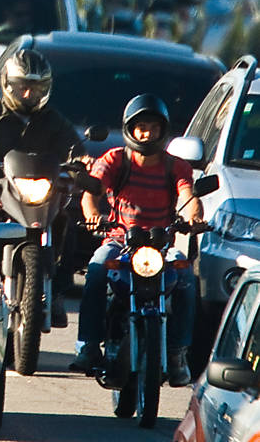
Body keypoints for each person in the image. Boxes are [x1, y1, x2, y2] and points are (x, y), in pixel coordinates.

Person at [70, 93, 202, 387]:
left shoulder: (176, 166)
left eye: (153, 127)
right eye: (141, 126)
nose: (147, 133)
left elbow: (188, 196)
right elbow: (92, 191)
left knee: (187, 280)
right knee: (95, 270)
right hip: (119, 241)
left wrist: (193, 217)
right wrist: (93, 215)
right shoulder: (115, 158)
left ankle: (178, 353)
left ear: (163, 130)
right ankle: (88, 346)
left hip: (161, 246)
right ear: (130, 128)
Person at [0, 49, 84, 327]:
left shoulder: (54, 120)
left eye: (36, 89)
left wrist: (82, 160)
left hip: (41, 193)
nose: (28, 95)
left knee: (66, 223)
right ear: (8, 85)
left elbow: (76, 148)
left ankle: (57, 289)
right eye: (23, 87)